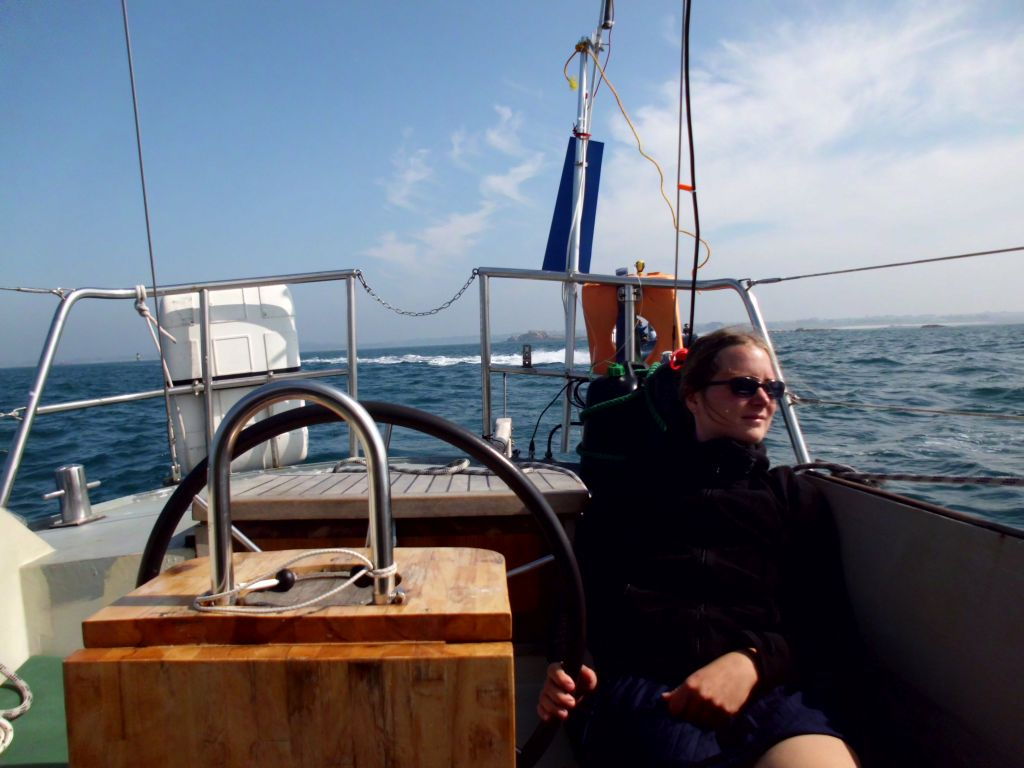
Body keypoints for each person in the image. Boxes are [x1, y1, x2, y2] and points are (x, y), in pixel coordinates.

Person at [538, 328, 862, 767]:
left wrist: (751, 662)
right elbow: (579, 596)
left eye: (773, 389)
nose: (763, 399)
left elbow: (826, 622)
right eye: (743, 386)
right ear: (692, 397)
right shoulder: (632, 492)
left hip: (770, 689)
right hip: (653, 690)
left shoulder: (793, 496)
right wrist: (566, 663)